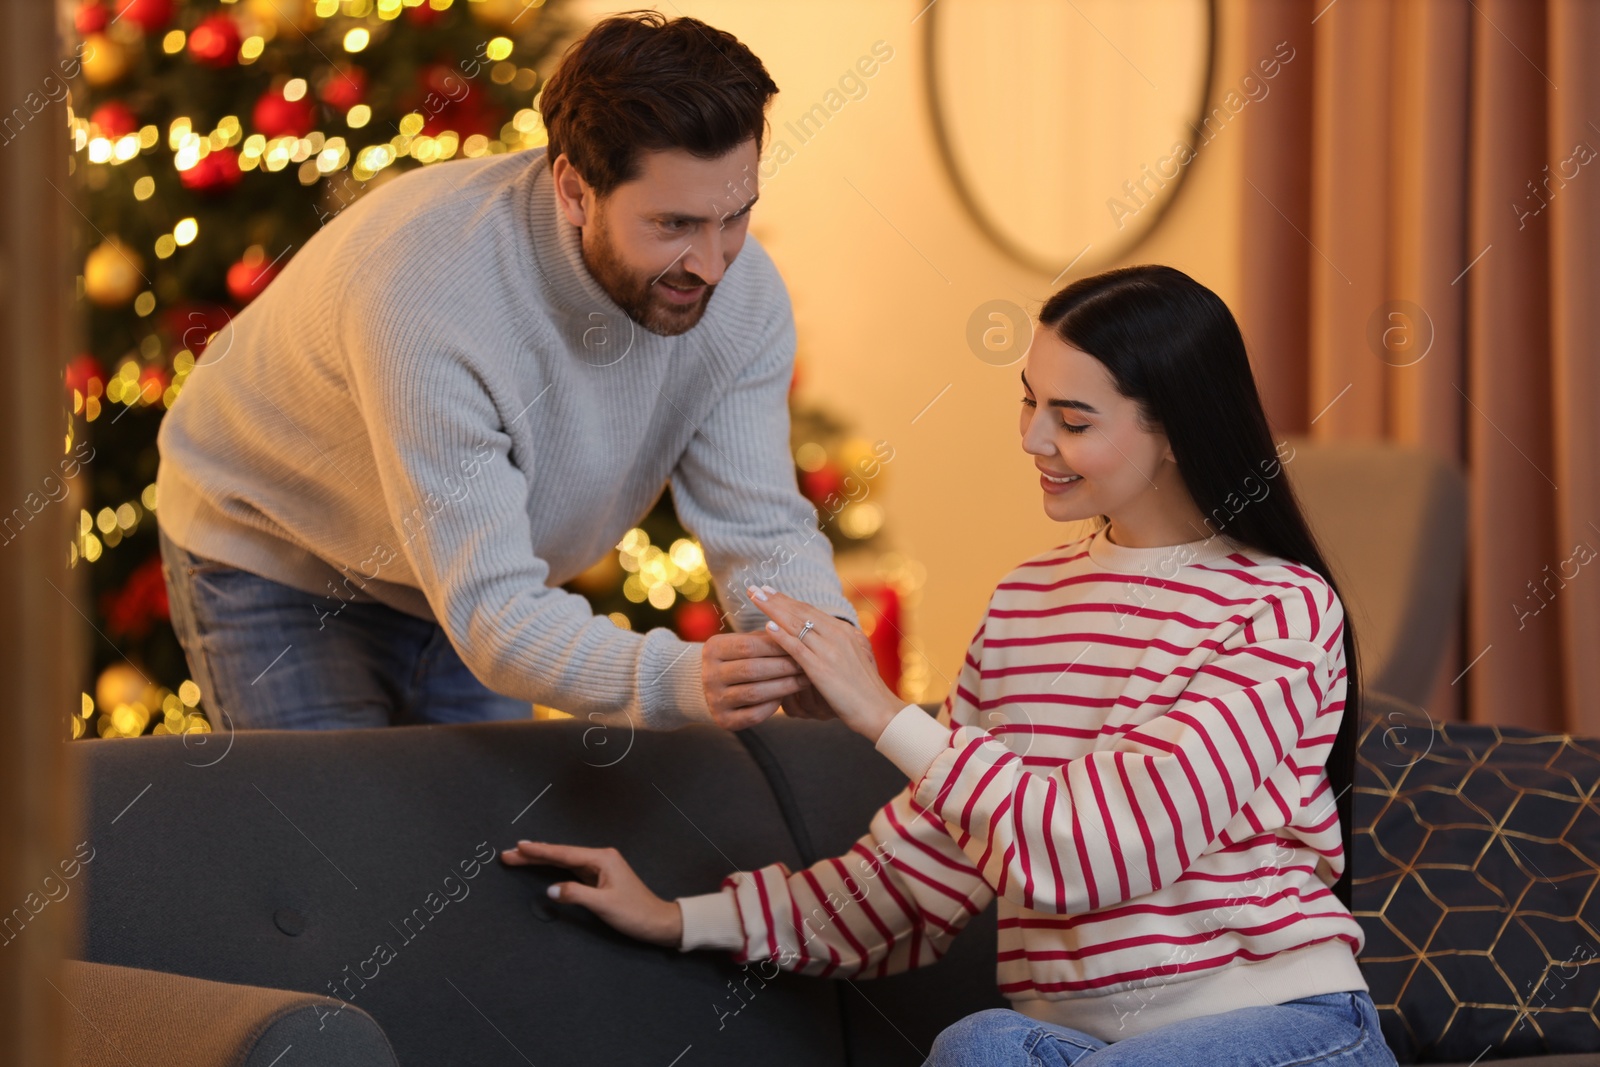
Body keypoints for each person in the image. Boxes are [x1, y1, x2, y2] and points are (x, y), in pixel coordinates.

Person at [499, 265, 1398, 1066]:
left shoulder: (1278, 608)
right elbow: (917, 873)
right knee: (980, 1044)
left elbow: (1105, 847)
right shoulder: (1027, 604)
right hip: (1071, 1045)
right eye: (1028, 400)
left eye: (1073, 418)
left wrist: (889, 716)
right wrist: (680, 916)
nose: (1033, 439)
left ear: (1174, 432)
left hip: (1286, 1031)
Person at [155, 13, 857, 732]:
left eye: (733, 216)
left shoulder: (743, 297)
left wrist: (822, 641)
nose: (711, 265)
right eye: (673, 225)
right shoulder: (430, 295)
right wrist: (681, 678)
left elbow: (762, 524)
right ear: (576, 191)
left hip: (484, 579)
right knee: (344, 838)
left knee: (488, 842)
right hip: (278, 553)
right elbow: (494, 615)